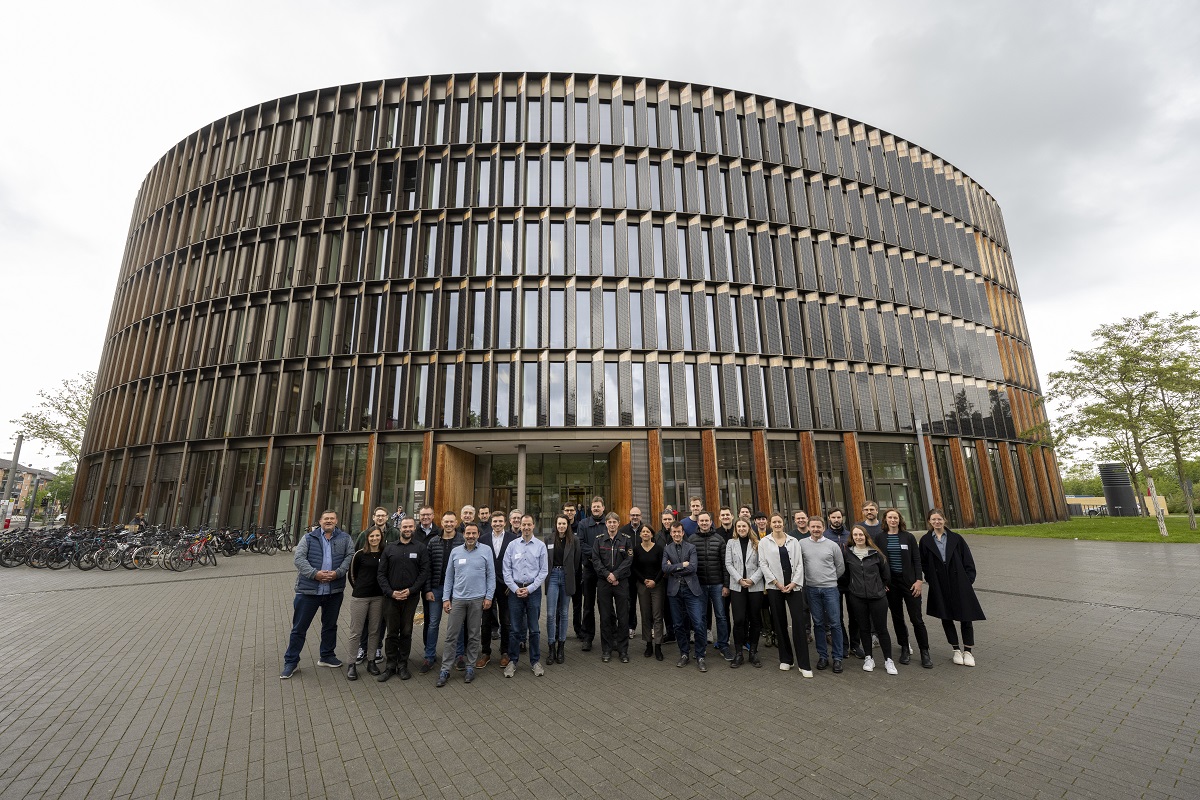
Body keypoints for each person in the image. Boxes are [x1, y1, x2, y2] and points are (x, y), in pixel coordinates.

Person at [280, 511, 354, 678]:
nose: (329, 521)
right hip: (308, 591)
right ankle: (291, 662)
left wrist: (338, 573)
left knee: (330, 625)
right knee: (299, 628)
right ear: (320, 521)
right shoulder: (308, 538)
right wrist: (315, 574)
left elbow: (350, 556)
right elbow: (298, 559)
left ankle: (327, 655)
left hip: (333, 591)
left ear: (336, 521)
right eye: (326, 519)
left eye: (332, 519)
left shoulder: (345, 538)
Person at [919, 509, 985, 667]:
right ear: (929, 522)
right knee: (946, 617)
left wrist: (967, 581)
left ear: (944, 520)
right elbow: (923, 563)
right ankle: (956, 649)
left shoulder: (956, 538)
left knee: (966, 616)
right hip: (940, 584)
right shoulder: (925, 541)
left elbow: (968, 560)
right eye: (933, 520)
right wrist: (931, 580)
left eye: (939, 519)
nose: (937, 522)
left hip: (959, 583)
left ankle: (968, 651)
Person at [872, 508, 932, 669]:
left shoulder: (908, 537)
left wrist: (919, 580)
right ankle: (904, 648)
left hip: (910, 583)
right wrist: (882, 582)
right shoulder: (880, 537)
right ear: (885, 520)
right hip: (892, 584)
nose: (893, 520)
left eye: (895, 518)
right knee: (897, 618)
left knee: (916, 619)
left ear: (899, 520)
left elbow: (917, 560)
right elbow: (878, 562)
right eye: (890, 517)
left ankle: (924, 651)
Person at [436, 522, 494, 687]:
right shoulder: (455, 552)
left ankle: (470, 667)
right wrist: (446, 599)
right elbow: (449, 578)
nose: (470, 536)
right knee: (451, 636)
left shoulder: (486, 551)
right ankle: (445, 669)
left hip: (477, 599)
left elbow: (491, 576)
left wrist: (489, 596)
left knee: (474, 635)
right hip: (458, 600)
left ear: (478, 534)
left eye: (473, 533)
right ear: (463, 534)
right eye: (468, 533)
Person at [376, 517, 430, 681]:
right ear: (400, 527)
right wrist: (390, 592)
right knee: (392, 632)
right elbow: (381, 573)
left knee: (406, 631)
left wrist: (412, 590)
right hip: (391, 597)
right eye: (405, 526)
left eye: (410, 526)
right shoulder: (390, 548)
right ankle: (390, 665)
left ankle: (402, 665)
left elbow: (424, 572)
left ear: (414, 528)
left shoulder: (420, 548)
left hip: (411, 597)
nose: (407, 529)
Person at [758, 513, 812, 676]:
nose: (776, 524)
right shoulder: (764, 542)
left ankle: (804, 664)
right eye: (774, 522)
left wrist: (794, 583)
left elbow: (799, 564)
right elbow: (763, 564)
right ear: (770, 524)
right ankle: (786, 659)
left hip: (793, 586)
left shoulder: (793, 541)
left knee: (798, 622)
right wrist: (776, 583)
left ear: (784, 523)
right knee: (779, 623)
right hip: (775, 587)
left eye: (779, 522)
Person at [843, 525, 896, 675]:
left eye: (861, 535)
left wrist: (881, 587)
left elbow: (886, 575)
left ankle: (888, 660)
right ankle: (869, 658)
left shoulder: (876, 554)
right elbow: (846, 575)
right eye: (855, 535)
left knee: (882, 629)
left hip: (877, 597)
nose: (858, 537)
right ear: (852, 537)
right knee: (864, 629)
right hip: (857, 597)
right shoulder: (848, 554)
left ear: (866, 536)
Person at [502, 514, 549, 677]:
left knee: (534, 629)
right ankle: (512, 661)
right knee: (514, 629)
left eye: (529, 524)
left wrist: (530, 588)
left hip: (533, 591)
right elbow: (506, 570)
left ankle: (535, 661)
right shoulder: (512, 545)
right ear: (519, 526)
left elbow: (544, 571)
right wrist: (515, 589)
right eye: (524, 524)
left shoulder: (540, 546)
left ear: (533, 525)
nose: (526, 527)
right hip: (515, 592)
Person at [800, 516, 846, 673]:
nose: (815, 530)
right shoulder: (802, 544)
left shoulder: (832, 545)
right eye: (813, 527)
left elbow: (840, 566)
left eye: (818, 527)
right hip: (812, 589)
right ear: (809, 528)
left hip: (830, 589)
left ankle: (838, 657)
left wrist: (830, 579)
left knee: (835, 623)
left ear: (823, 528)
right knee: (818, 623)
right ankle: (823, 656)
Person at [420, 513, 463, 674]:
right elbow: (428, 568)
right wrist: (428, 589)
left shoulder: (462, 540)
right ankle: (429, 656)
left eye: (452, 521)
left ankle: (459, 656)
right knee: (433, 623)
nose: (449, 524)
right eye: (446, 521)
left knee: (458, 623)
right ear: (442, 522)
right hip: (436, 589)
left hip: (457, 589)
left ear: (456, 523)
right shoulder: (434, 541)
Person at [663, 521, 708, 672]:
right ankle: (684, 653)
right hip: (674, 592)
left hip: (691, 590)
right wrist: (682, 565)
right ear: (671, 533)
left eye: (679, 532)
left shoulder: (691, 547)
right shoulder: (667, 549)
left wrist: (674, 568)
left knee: (698, 623)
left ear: (683, 533)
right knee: (678, 625)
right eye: (674, 532)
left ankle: (700, 655)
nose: (676, 534)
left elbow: (693, 567)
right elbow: (664, 568)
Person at [355, 506, 397, 662]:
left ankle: (377, 647)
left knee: (380, 620)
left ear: (387, 517)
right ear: (373, 517)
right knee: (365, 620)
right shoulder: (364, 534)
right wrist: (357, 584)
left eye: (383, 516)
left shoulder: (394, 534)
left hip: (384, 588)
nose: (380, 518)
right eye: (377, 515)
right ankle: (362, 647)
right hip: (365, 588)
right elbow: (355, 560)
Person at [688, 511, 731, 661]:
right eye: (702, 521)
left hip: (717, 584)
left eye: (707, 521)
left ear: (711, 522)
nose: (704, 523)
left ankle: (723, 645)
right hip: (699, 585)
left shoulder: (719, 540)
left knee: (721, 616)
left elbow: (725, 565)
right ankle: (701, 647)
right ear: (698, 522)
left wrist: (726, 585)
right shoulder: (691, 540)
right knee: (701, 618)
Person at [345, 526, 385, 680]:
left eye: (377, 536)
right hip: (360, 597)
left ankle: (371, 661)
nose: (374, 539)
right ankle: (351, 664)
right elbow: (352, 574)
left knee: (375, 630)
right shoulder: (360, 555)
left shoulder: (384, 553)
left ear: (381, 537)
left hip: (378, 597)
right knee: (356, 631)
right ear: (367, 538)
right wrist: (359, 588)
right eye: (371, 536)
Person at [592, 511, 633, 662]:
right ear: (606, 524)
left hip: (621, 582)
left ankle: (623, 651)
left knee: (623, 617)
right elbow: (595, 560)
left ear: (618, 523)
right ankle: (607, 649)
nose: (612, 525)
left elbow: (628, 560)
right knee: (605, 617)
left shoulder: (626, 540)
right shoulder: (599, 540)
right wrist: (607, 575)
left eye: (614, 522)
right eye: (609, 522)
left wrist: (616, 575)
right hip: (604, 582)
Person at [477, 511, 516, 669]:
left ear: (505, 523)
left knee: (506, 621)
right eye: (495, 521)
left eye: (500, 521)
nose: (497, 524)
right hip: (487, 585)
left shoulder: (513, 539)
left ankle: (505, 652)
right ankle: (485, 652)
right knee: (485, 621)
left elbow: (516, 562)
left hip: (506, 586)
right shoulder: (483, 539)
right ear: (491, 523)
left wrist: (511, 584)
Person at [724, 518, 763, 668]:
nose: (741, 528)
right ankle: (739, 653)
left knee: (755, 619)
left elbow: (762, 564)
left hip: (755, 586)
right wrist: (740, 579)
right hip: (737, 586)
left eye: (744, 526)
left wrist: (752, 580)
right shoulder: (731, 543)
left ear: (749, 527)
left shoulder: (758, 543)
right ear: (736, 528)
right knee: (739, 620)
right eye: (739, 526)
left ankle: (753, 652)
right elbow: (728, 563)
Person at [824, 507, 862, 659]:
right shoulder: (825, 536)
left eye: (839, 517)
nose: (836, 520)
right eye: (833, 517)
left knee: (855, 615)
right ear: (829, 519)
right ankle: (844, 645)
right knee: (836, 616)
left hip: (852, 581)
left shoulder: (850, 535)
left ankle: (855, 645)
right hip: (833, 582)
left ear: (843, 518)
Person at [545, 514, 579, 665]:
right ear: (556, 524)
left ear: (568, 525)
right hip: (552, 576)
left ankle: (561, 647)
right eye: (559, 523)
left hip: (566, 577)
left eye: (564, 524)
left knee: (564, 613)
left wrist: (570, 573)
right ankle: (551, 647)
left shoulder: (574, 540)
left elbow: (576, 562)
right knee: (551, 614)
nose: (561, 526)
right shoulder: (548, 539)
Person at [575, 496, 607, 651]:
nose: (596, 509)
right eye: (594, 507)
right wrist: (597, 555)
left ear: (603, 508)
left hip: (604, 571)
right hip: (588, 570)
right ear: (591, 509)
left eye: (598, 507)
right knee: (588, 606)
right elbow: (580, 544)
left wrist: (598, 556)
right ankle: (587, 637)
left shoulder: (609, 523)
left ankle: (609, 637)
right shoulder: (583, 524)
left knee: (605, 605)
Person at [631, 524, 665, 660]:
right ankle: (648, 644)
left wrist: (655, 581)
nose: (645, 533)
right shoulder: (636, 550)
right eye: (643, 532)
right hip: (642, 585)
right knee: (645, 615)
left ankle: (658, 645)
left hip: (657, 585)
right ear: (640, 535)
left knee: (657, 615)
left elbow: (663, 567)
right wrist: (644, 580)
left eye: (648, 532)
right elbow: (633, 567)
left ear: (652, 534)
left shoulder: (659, 549)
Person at [619, 508, 646, 636]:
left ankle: (649, 628)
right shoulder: (623, 531)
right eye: (632, 515)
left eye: (637, 515)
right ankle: (631, 626)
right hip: (628, 573)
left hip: (643, 572)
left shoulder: (646, 530)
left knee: (646, 601)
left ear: (641, 516)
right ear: (629, 516)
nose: (635, 517)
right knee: (629, 601)